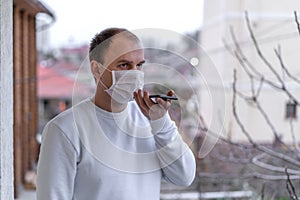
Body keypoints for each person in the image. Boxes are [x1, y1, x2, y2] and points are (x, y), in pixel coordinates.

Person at [36, 27, 196, 200]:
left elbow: (184, 176)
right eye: (124, 65)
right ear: (97, 69)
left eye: (139, 65)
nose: (134, 73)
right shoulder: (64, 130)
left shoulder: (152, 121)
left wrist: (162, 124)